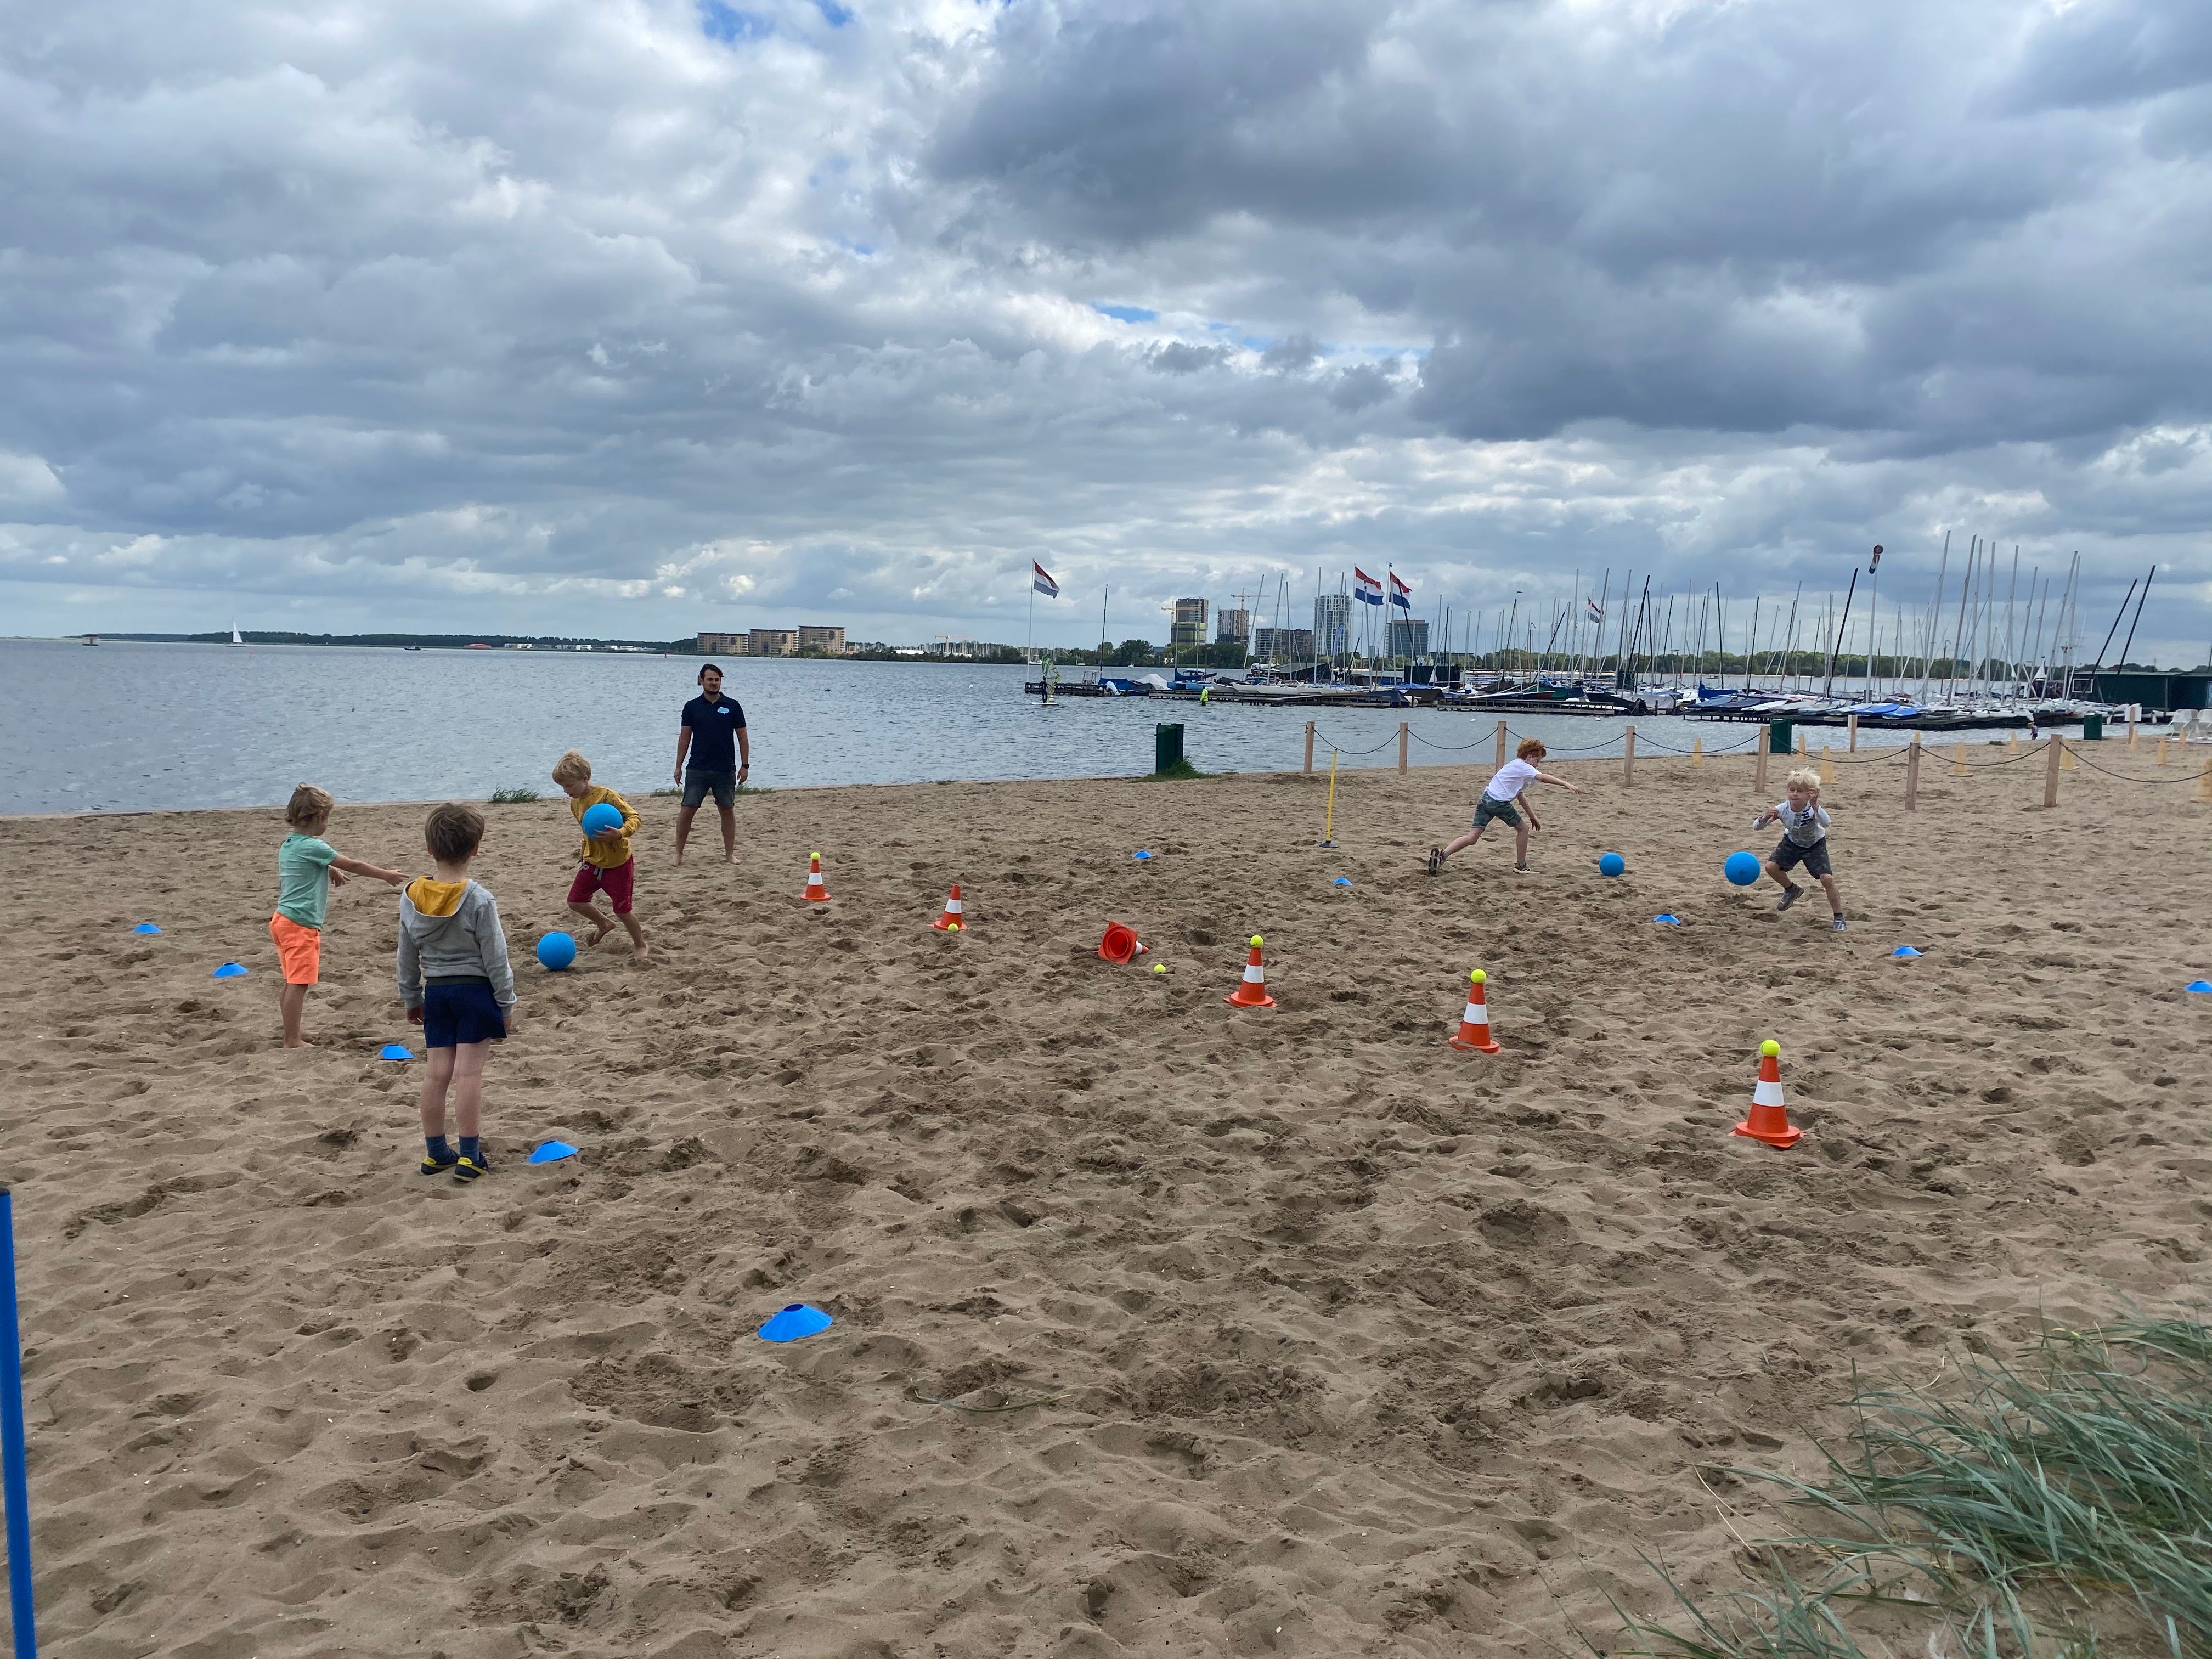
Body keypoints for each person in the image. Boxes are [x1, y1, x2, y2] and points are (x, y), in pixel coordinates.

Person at [397, 802, 515, 1182]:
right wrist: (506, 1001)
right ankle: (468, 1155)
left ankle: (435, 1153)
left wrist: (412, 997)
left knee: (436, 1076)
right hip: (475, 994)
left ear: (430, 848)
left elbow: (406, 955)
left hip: (438, 994)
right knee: (468, 1076)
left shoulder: (411, 896)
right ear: (476, 848)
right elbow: (496, 957)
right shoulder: (479, 899)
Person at [271, 783, 407, 1048]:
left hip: (282, 920)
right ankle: (291, 1040)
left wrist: (330, 870)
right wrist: (386, 875)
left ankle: (293, 1030)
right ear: (319, 818)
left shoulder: (290, 844)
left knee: (291, 981)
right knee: (299, 983)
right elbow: (354, 864)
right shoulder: (316, 847)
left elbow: (306, 865)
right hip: (300, 924)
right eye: (328, 818)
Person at [1427, 737, 1582, 875]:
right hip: (1499, 803)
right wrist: (1565, 784)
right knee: (1524, 830)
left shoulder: (1515, 767)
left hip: (1485, 799)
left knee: (1472, 837)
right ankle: (1521, 866)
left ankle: (1443, 855)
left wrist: (1532, 816)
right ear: (1529, 757)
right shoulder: (1524, 767)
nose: (1538, 765)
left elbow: (1520, 795)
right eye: (1538, 761)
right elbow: (1543, 778)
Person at [552, 749, 651, 964]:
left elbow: (635, 817)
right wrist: (584, 850)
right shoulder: (575, 802)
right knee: (575, 901)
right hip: (593, 861)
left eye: (569, 786)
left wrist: (621, 833)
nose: (565, 791)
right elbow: (587, 830)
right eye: (562, 787)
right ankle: (604, 923)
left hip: (618, 863)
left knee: (623, 909)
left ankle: (640, 944)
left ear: (585, 778)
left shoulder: (607, 797)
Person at [673, 662, 749, 865]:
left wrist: (745, 765)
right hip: (697, 768)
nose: (714, 683)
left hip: (725, 769)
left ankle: (729, 854)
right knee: (687, 809)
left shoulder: (732, 706)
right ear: (701, 681)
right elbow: (684, 738)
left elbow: (742, 737)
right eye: (710, 680)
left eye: (717, 680)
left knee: (727, 810)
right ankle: (678, 854)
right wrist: (678, 766)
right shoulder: (692, 707)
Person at [1754, 768, 1845, 932]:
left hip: (1815, 845)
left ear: (1809, 794)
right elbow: (1757, 827)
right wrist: (1766, 817)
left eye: (1800, 791)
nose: (1795, 794)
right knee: (1770, 867)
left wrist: (1816, 805)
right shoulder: (1783, 808)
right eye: (1792, 790)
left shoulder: (1812, 808)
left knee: (1827, 880)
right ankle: (1791, 890)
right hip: (1792, 843)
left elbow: (1826, 823)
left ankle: (1839, 917)